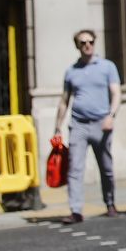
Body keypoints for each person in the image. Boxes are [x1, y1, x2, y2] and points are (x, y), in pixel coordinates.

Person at [52, 29, 121, 223]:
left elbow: (116, 93)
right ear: (77, 46)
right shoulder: (71, 71)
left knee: (106, 167)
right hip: (78, 124)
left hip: (102, 123)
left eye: (90, 41)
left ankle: (110, 203)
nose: (87, 45)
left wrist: (111, 116)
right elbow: (65, 100)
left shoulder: (107, 67)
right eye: (83, 43)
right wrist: (58, 126)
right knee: (75, 168)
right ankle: (75, 210)